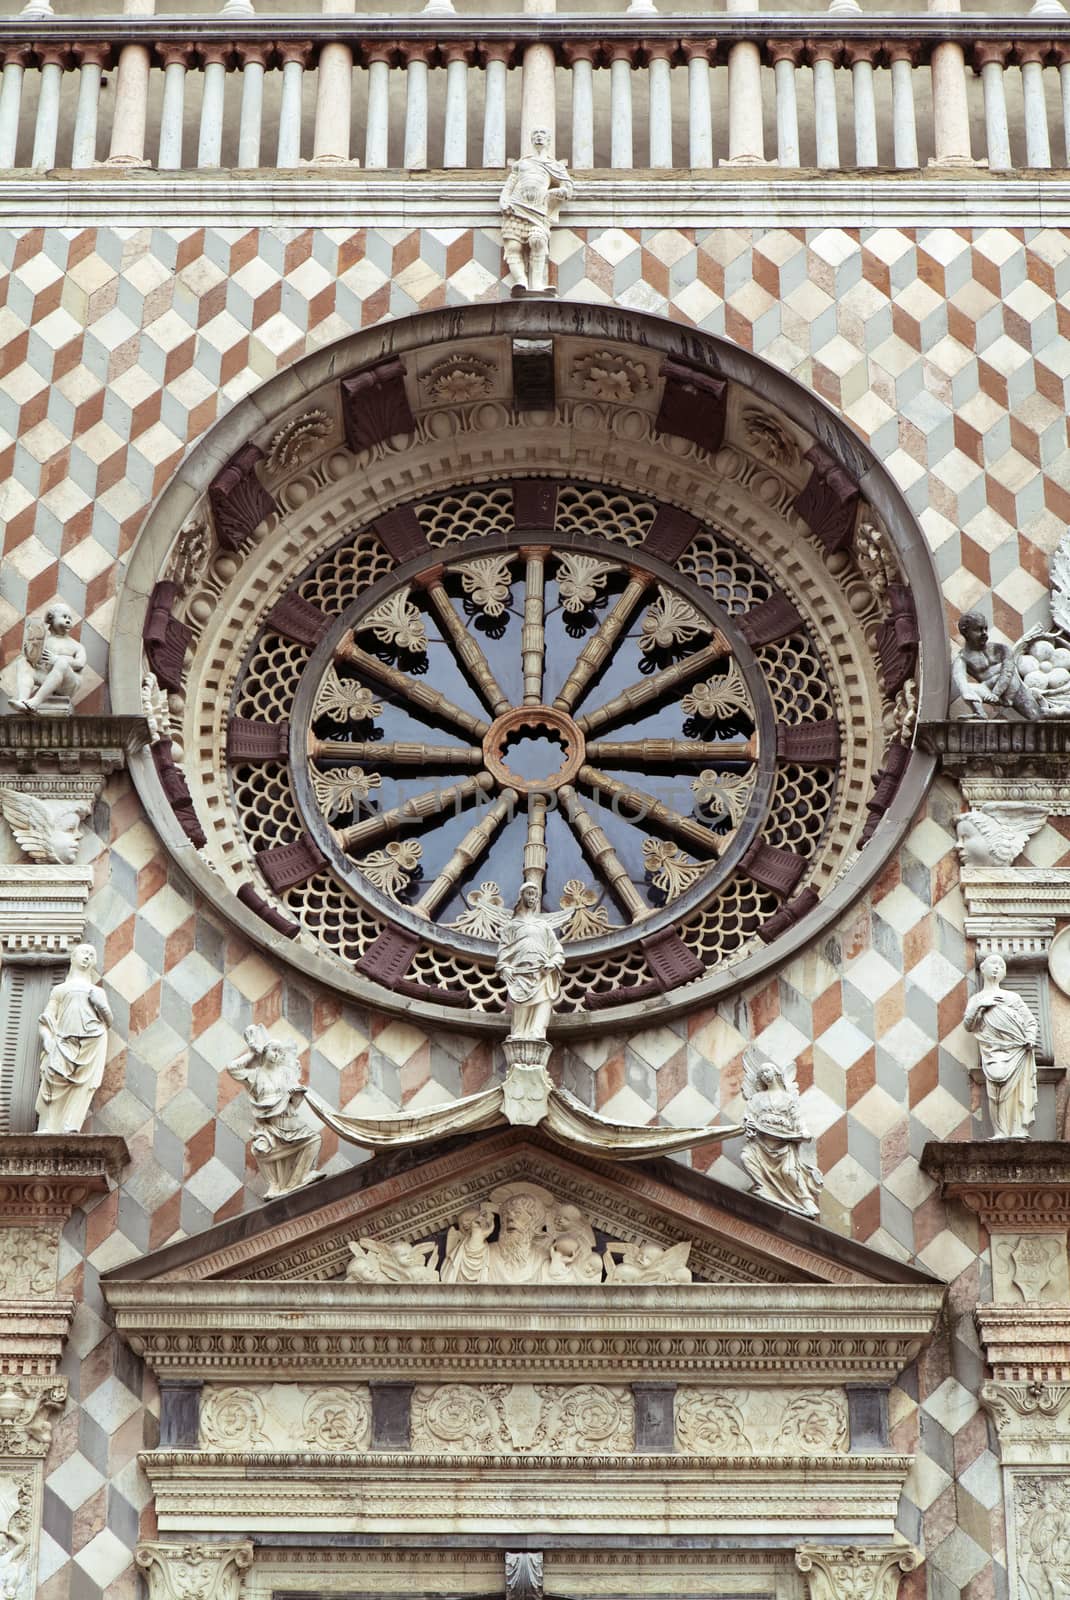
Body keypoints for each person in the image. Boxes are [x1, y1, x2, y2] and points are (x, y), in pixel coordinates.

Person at [226, 1024, 322, 1198]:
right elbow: (232, 1068)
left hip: (290, 1122)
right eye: (274, 1050)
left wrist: (296, 1095)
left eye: (280, 1052)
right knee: (259, 1150)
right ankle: (274, 1185)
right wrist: (252, 1053)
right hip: (269, 1127)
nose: (277, 1054)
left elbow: (294, 1104)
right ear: (265, 1051)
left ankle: (299, 1178)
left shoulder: (286, 1074)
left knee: (314, 1139)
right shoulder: (255, 1075)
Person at [35, 944, 112, 1135]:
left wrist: (101, 1005)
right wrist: (47, 1039)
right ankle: (48, 1126)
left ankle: (70, 1125)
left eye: (92, 954)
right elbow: (47, 1018)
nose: (87, 957)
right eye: (84, 953)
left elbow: (108, 1020)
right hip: (63, 1041)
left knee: (83, 1086)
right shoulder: (61, 989)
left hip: (92, 1040)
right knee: (52, 1077)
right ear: (73, 957)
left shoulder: (97, 991)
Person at [963, 954, 1038, 1140]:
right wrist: (981, 1005)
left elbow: (1030, 1021)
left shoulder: (1012, 997)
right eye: (992, 964)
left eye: (1001, 965)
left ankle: (1018, 1128)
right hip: (992, 1050)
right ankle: (1001, 1131)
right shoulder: (977, 999)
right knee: (997, 1084)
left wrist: (1030, 1037)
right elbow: (968, 1025)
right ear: (982, 969)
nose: (997, 968)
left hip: (1017, 1049)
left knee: (1017, 1088)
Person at [740, 1057, 823, 1217]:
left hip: (784, 1139)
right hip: (761, 1140)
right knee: (746, 1157)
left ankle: (806, 1201)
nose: (764, 1075)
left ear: (776, 1073)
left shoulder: (788, 1098)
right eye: (761, 1073)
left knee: (788, 1172)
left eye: (767, 1071)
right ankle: (764, 1187)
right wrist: (749, 1125)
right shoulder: (757, 1098)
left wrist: (803, 1130)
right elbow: (748, 1116)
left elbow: (796, 1117)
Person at [499, 127, 573, 293]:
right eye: (535, 134)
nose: (539, 137)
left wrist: (553, 192)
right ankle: (521, 282)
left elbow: (567, 188)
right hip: (516, 206)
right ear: (532, 140)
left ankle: (537, 284)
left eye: (543, 135)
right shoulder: (522, 163)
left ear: (548, 141)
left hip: (539, 210)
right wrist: (504, 200)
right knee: (512, 246)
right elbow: (510, 184)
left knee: (537, 241)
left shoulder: (554, 166)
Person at [495, 881, 571, 1042]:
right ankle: (519, 1035)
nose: (533, 898)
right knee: (519, 1013)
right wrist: (503, 967)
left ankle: (537, 1034)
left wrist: (553, 963)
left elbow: (556, 949)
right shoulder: (511, 926)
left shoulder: (543, 926)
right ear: (521, 896)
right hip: (519, 974)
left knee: (542, 1007)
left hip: (542, 974)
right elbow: (504, 949)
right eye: (529, 894)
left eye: (536, 896)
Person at [950, 611, 1045, 720]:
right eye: (979, 629)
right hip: (988, 688)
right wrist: (985, 695)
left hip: (1013, 688)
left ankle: (1059, 712)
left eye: (985, 628)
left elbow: (1008, 672)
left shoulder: (1000, 649)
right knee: (966, 688)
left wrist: (996, 693)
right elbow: (960, 681)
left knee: (1037, 717)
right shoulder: (962, 659)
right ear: (965, 631)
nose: (984, 633)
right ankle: (980, 713)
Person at [10, 603, 86, 715]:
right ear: (51, 618)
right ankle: (23, 700)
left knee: (62, 662)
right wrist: (31, 654)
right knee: (22, 662)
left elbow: (80, 663)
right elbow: (36, 661)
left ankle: (36, 701)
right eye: (64, 617)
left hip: (68, 684)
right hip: (47, 678)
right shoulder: (44, 641)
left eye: (70, 618)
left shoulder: (76, 646)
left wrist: (56, 659)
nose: (68, 620)